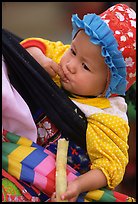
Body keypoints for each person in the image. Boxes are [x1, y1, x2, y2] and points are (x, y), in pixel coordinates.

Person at [5, 3, 136, 202]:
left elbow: (110, 168)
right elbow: (27, 46)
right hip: (16, 144)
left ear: (109, 86)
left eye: (85, 66)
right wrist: (40, 59)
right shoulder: (63, 57)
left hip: (51, 180)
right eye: (74, 51)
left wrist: (77, 185)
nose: (71, 65)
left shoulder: (108, 117)